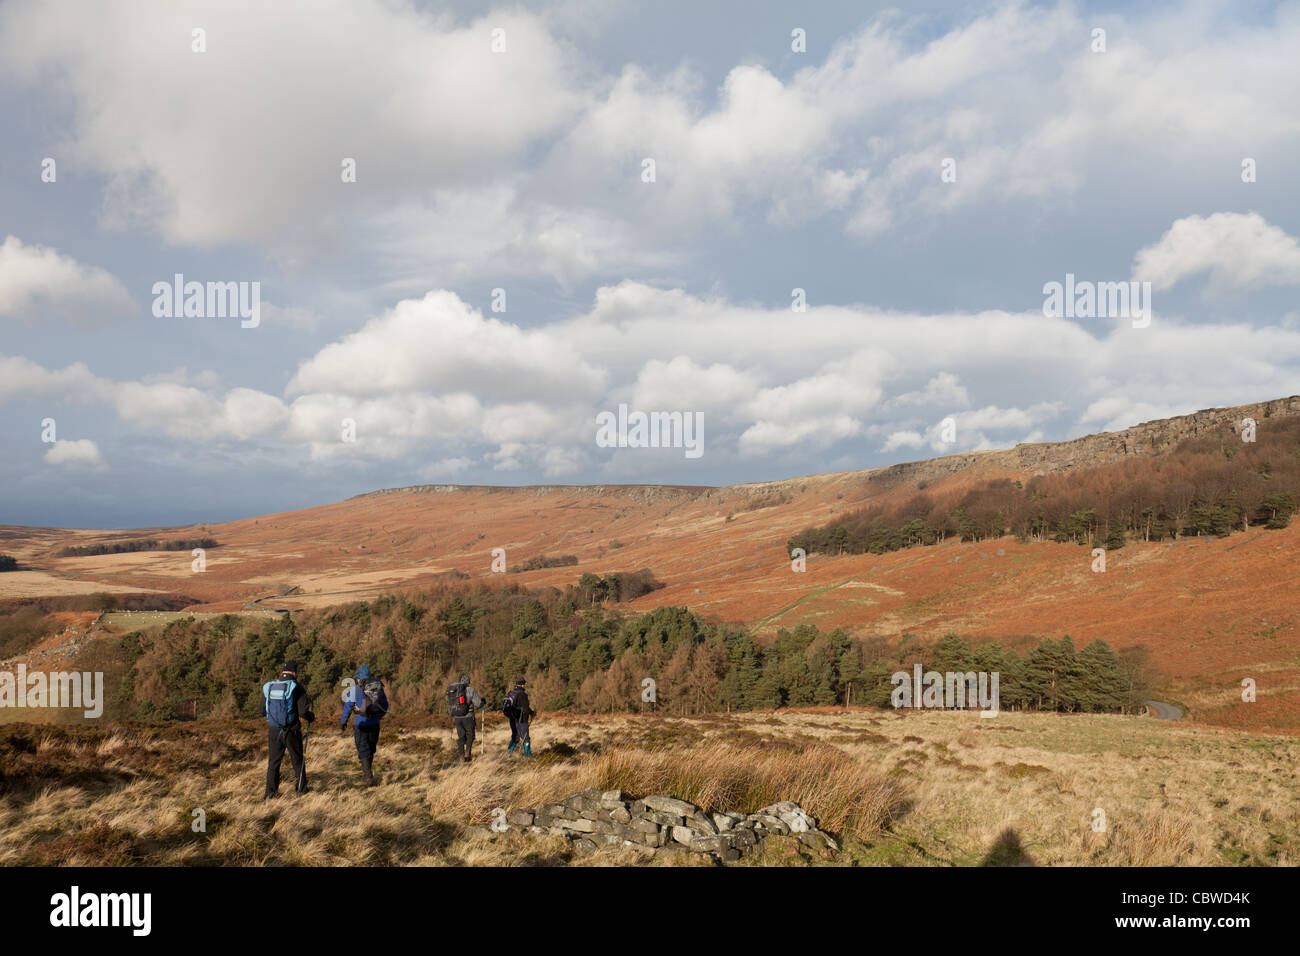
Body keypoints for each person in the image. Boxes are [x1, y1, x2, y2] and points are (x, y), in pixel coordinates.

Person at [262, 660, 314, 800]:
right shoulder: (296, 687)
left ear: (283, 671)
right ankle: (301, 789)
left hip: (274, 730)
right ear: (294, 672)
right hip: (292, 730)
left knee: (273, 762)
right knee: (297, 760)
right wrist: (311, 717)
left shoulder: (269, 686)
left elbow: (262, 710)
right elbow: (303, 712)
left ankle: (270, 794)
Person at [341, 665, 388, 786]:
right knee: (371, 748)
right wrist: (378, 716)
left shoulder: (355, 690)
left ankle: (367, 778)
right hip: (375, 724)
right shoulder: (377, 688)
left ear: (358, 678)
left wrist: (343, 722)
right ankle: (369, 774)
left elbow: (347, 707)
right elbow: (385, 705)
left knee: (363, 749)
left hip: (360, 724)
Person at [447, 673, 484, 763]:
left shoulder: (454, 690)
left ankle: (461, 756)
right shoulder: (470, 690)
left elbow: (449, 703)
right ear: (468, 682)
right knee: (470, 735)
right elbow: (478, 704)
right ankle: (467, 753)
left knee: (461, 737)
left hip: (457, 718)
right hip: (468, 717)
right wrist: (483, 702)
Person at [504, 675, 534, 757]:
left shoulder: (511, 693)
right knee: (525, 738)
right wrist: (532, 713)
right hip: (522, 720)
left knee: (515, 737)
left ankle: (508, 754)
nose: (525, 685)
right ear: (522, 684)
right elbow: (525, 709)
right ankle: (528, 756)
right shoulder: (522, 694)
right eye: (524, 683)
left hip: (512, 719)